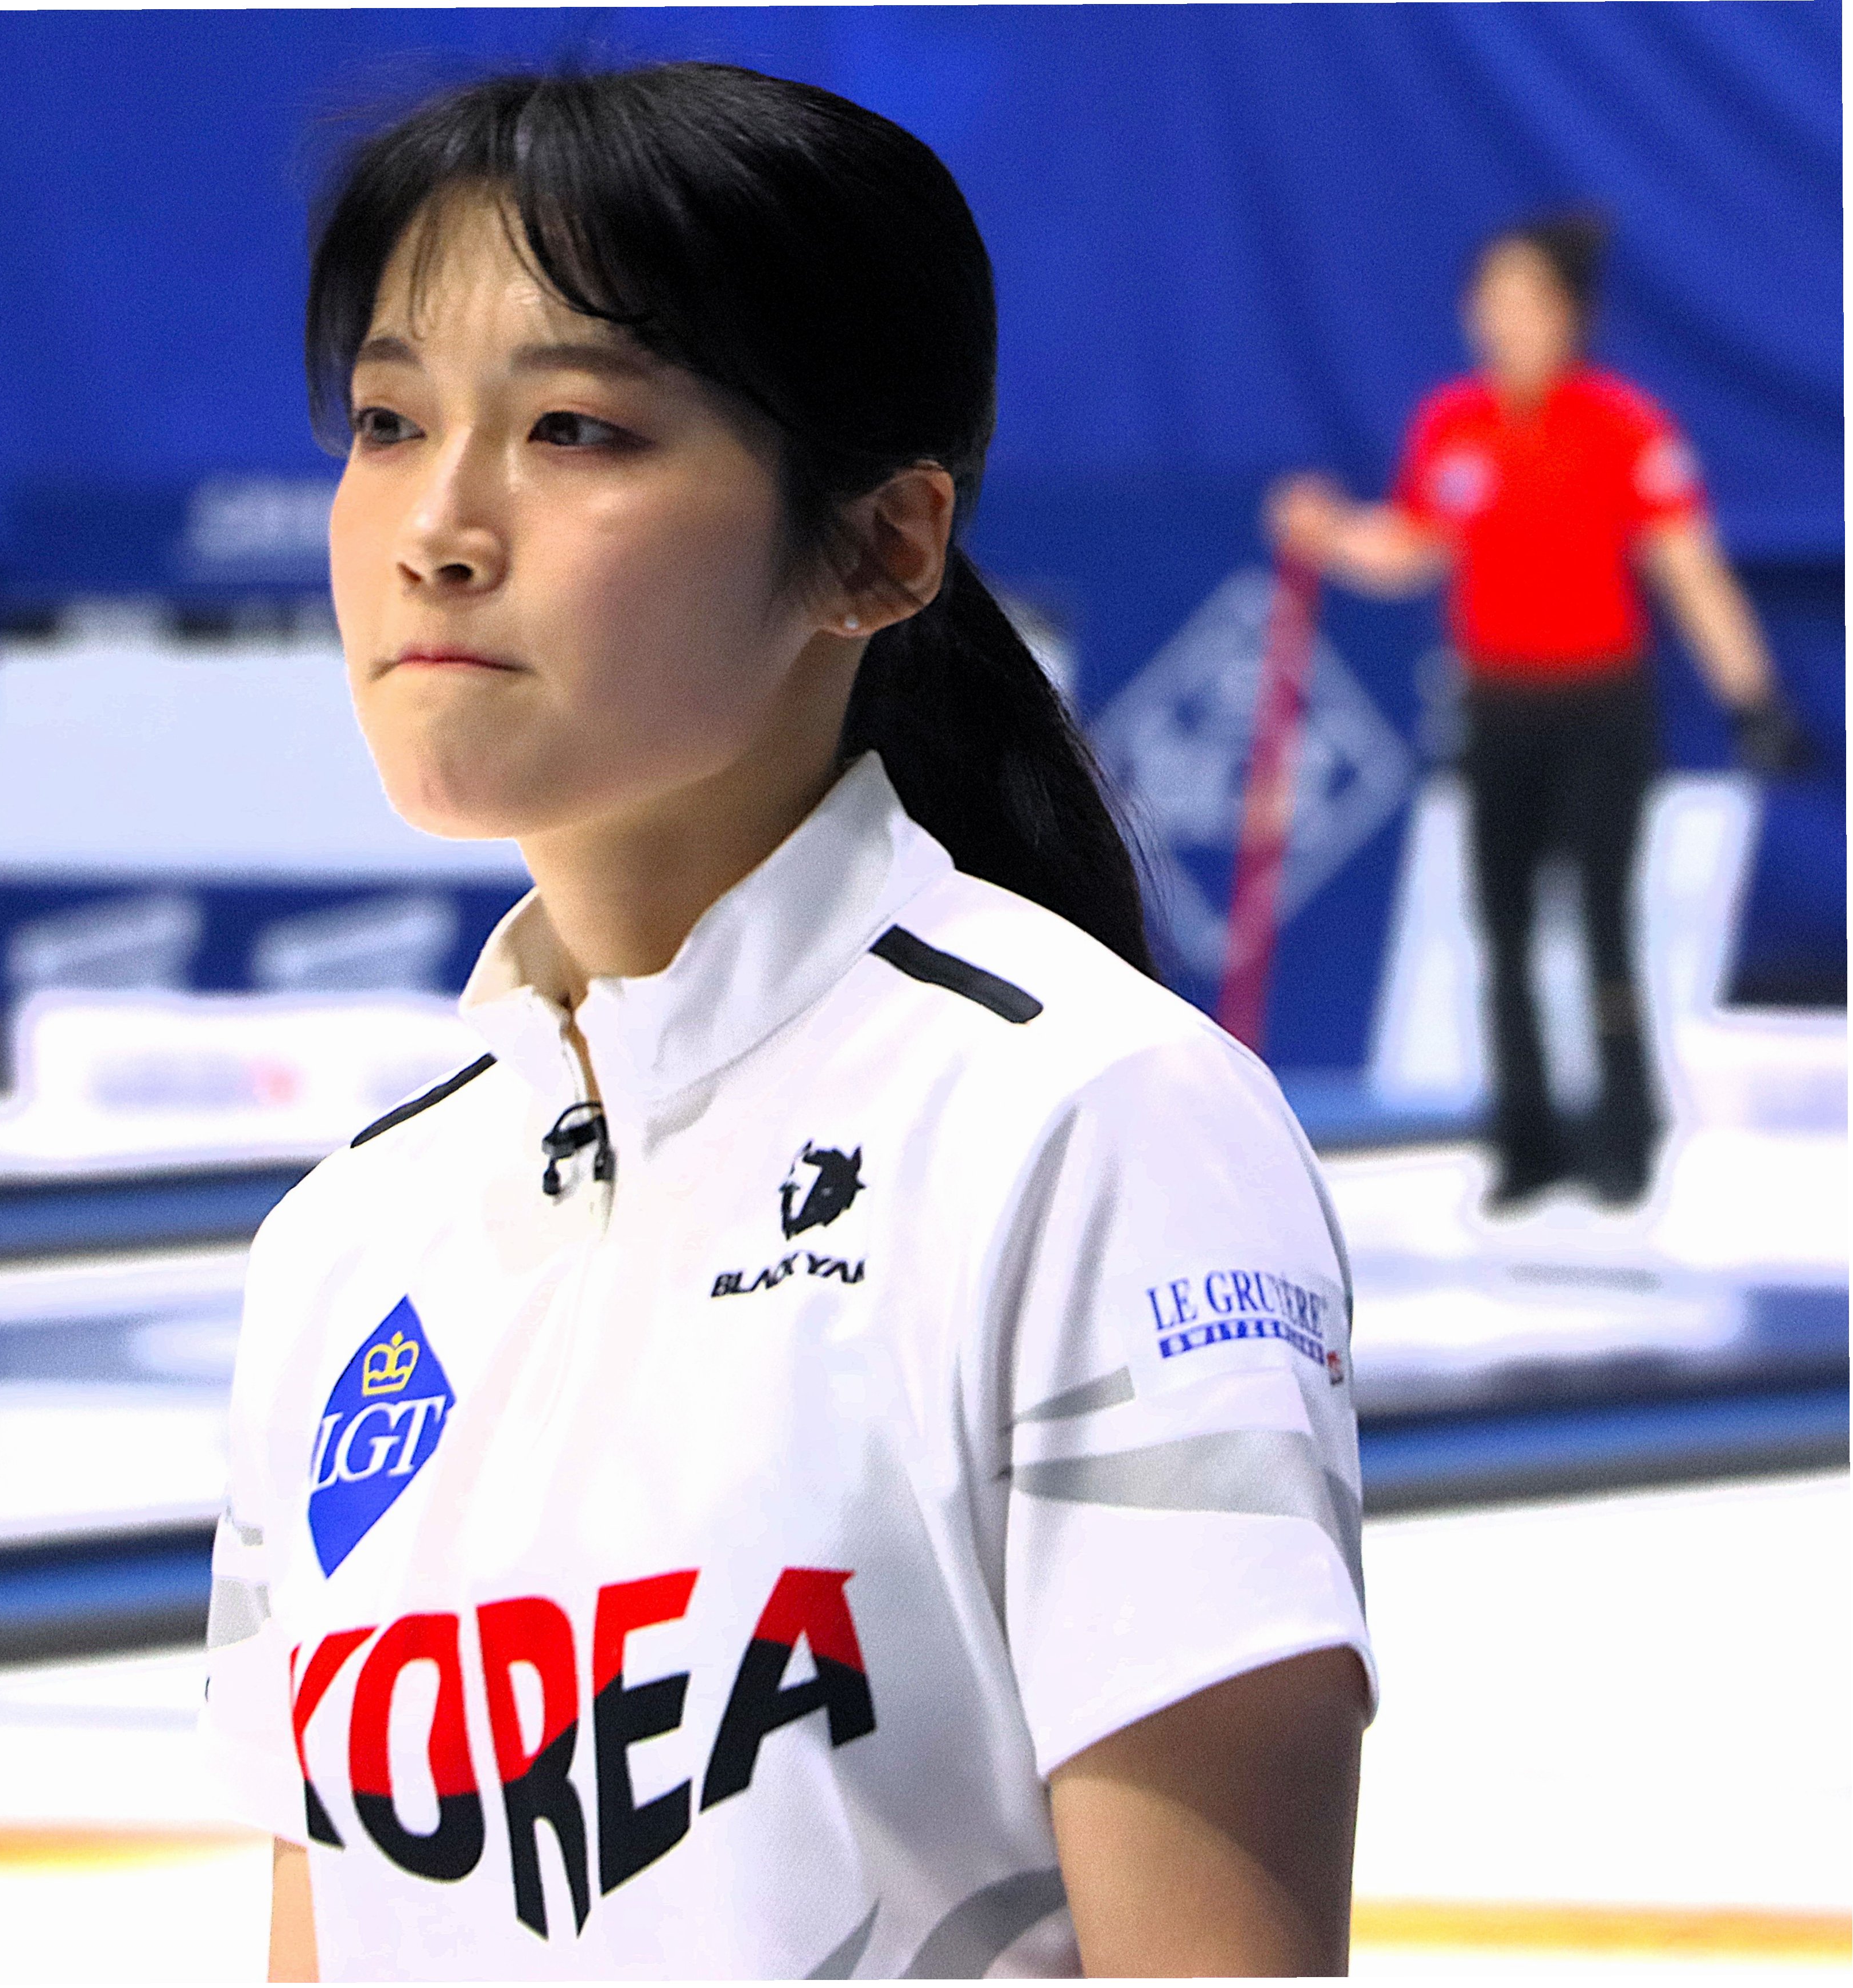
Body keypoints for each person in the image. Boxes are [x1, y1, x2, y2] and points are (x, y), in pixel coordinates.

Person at [201, 64, 1372, 1980]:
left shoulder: (1092, 1124)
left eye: (573, 428)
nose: (437, 527)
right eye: (389, 422)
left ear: (878, 548)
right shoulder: (341, 1243)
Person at [1270, 212, 1796, 1212]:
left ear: (1569, 316)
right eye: (1492, 299)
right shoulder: (1452, 425)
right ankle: (1525, 1133)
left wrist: (1750, 694)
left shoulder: (1620, 426)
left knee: (1600, 915)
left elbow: (1684, 565)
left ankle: (1622, 1127)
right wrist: (1328, 531)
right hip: (1497, 704)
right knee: (1501, 922)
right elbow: (1410, 546)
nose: (1506, 321)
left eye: (1528, 301)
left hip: (1598, 705)